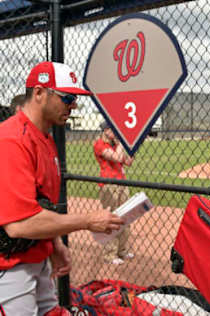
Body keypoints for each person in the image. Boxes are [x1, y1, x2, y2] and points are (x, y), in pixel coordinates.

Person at [0, 61, 125, 315]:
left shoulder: (45, 138)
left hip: (36, 257)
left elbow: (41, 203)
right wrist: (88, 220)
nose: (73, 105)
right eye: (67, 98)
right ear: (39, 93)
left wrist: (55, 244)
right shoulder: (12, 139)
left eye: (75, 99)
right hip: (10, 267)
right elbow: (19, 224)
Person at [93, 121, 134, 265]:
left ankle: (122, 251)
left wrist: (130, 147)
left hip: (122, 183)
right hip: (109, 185)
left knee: (126, 217)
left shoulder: (117, 145)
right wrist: (122, 143)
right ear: (105, 130)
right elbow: (116, 158)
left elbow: (128, 162)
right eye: (112, 130)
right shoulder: (99, 144)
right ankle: (110, 254)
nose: (115, 133)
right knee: (112, 219)